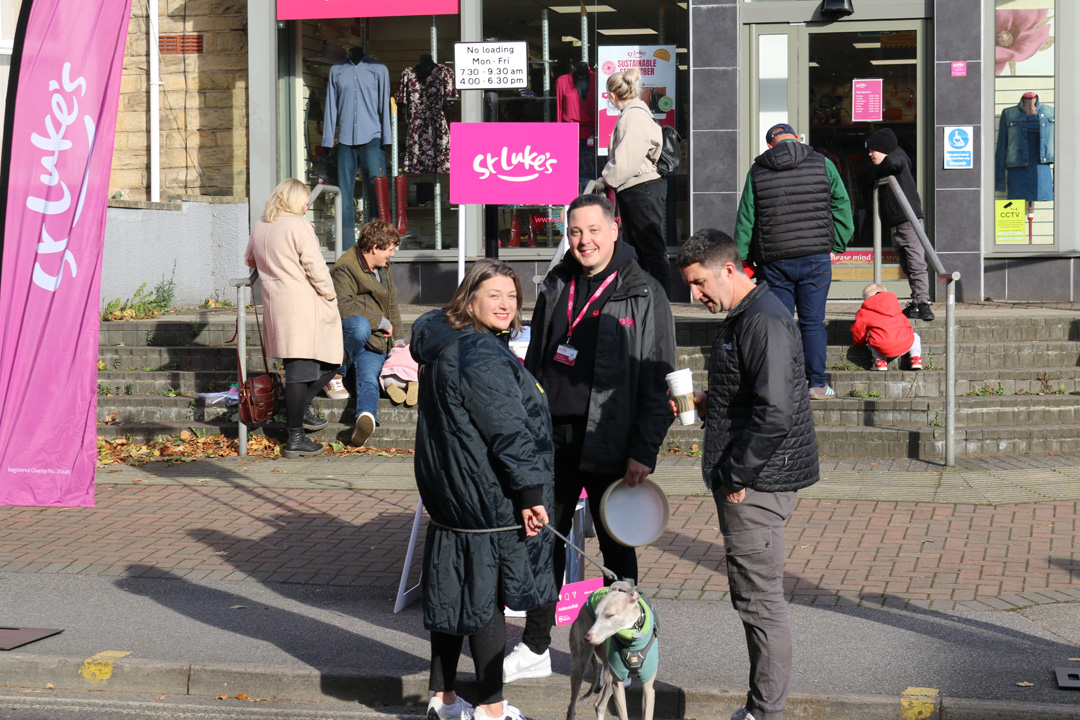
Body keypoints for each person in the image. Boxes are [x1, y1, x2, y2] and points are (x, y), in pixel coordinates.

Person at [504, 193, 676, 683]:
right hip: (552, 440)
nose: (583, 241)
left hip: (612, 439)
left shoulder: (644, 292)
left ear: (615, 229)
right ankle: (536, 645)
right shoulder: (558, 281)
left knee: (616, 553)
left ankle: (620, 656)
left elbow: (658, 377)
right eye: (575, 232)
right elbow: (537, 361)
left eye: (593, 231)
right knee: (543, 543)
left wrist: (644, 449)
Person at [675, 228, 819, 720]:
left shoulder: (762, 319)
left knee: (760, 604)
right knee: (755, 600)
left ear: (729, 270)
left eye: (698, 284)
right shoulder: (751, 314)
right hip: (757, 475)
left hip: (756, 484)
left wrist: (736, 474)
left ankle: (764, 711)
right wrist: (708, 402)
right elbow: (754, 394)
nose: (694, 296)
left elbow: (776, 411)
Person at [411, 259, 557, 720]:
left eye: (512, 297)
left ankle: (444, 698)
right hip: (485, 497)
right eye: (494, 294)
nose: (506, 304)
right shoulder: (478, 351)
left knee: (453, 595)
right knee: (484, 599)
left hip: (452, 495)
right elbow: (508, 431)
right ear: (469, 299)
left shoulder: (444, 343)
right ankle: (491, 708)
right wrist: (531, 493)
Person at [734, 123, 854, 400]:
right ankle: (817, 385)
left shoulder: (758, 170)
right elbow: (841, 204)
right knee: (812, 322)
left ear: (769, 146)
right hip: (815, 257)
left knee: (779, 322)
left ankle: (782, 385)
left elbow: (746, 218)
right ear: (797, 139)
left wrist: (742, 258)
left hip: (774, 261)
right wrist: (837, 243)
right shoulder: (823, 163)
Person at [244, 178, 344, 459]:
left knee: (301, 368)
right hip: (303, 304)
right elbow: (316, 267)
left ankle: (298, 411)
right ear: (295, 200)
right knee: (323, 364)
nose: (307, 204)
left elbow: (249, 259)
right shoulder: (298, 225)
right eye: (304, 200)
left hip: (277, 305)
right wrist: (330, 295)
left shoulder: (262, 224)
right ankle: (296, 437)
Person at [329, 219, 404, 447]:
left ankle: (366, 417)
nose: (392, 255)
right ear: (375, 248)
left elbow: (392, 305)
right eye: (390, 249)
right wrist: (380, 322)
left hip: (374, 343)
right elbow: (344, 307)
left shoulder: (383, 268)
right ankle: (335, 373)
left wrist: (398, 341)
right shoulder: (346, 267)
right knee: (360, 325)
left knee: (369, 378)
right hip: (350, 338)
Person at [600, 67, 669, 295]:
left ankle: (660, 300)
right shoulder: (637, 113)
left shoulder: (633, 116)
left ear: (612, 95)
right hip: (641, 186)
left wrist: (606, 179)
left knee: (649, 248)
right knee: (644, 247)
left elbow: (627, 160)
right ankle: (651, 298)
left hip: (641, 186)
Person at [866, 127, 934, 321]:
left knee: (915, 264)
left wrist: (876, 174)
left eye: (873, 150)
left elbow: (894, 162)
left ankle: (923, 302)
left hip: (908, 221)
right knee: (906, 265)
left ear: (884, 148)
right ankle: (916, 301)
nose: (870, 154)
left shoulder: (897, 157)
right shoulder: (890, 160)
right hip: (896, 224)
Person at [851, 283, 922, 372]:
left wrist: (859, 343)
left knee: (872, 339)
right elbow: (906, 325)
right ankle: (915, 358)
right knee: (915, 336)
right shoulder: (896, 308)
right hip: (905, 344)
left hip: (882, 348)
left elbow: (858, 330)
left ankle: (880, 361)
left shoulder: (864, 312)